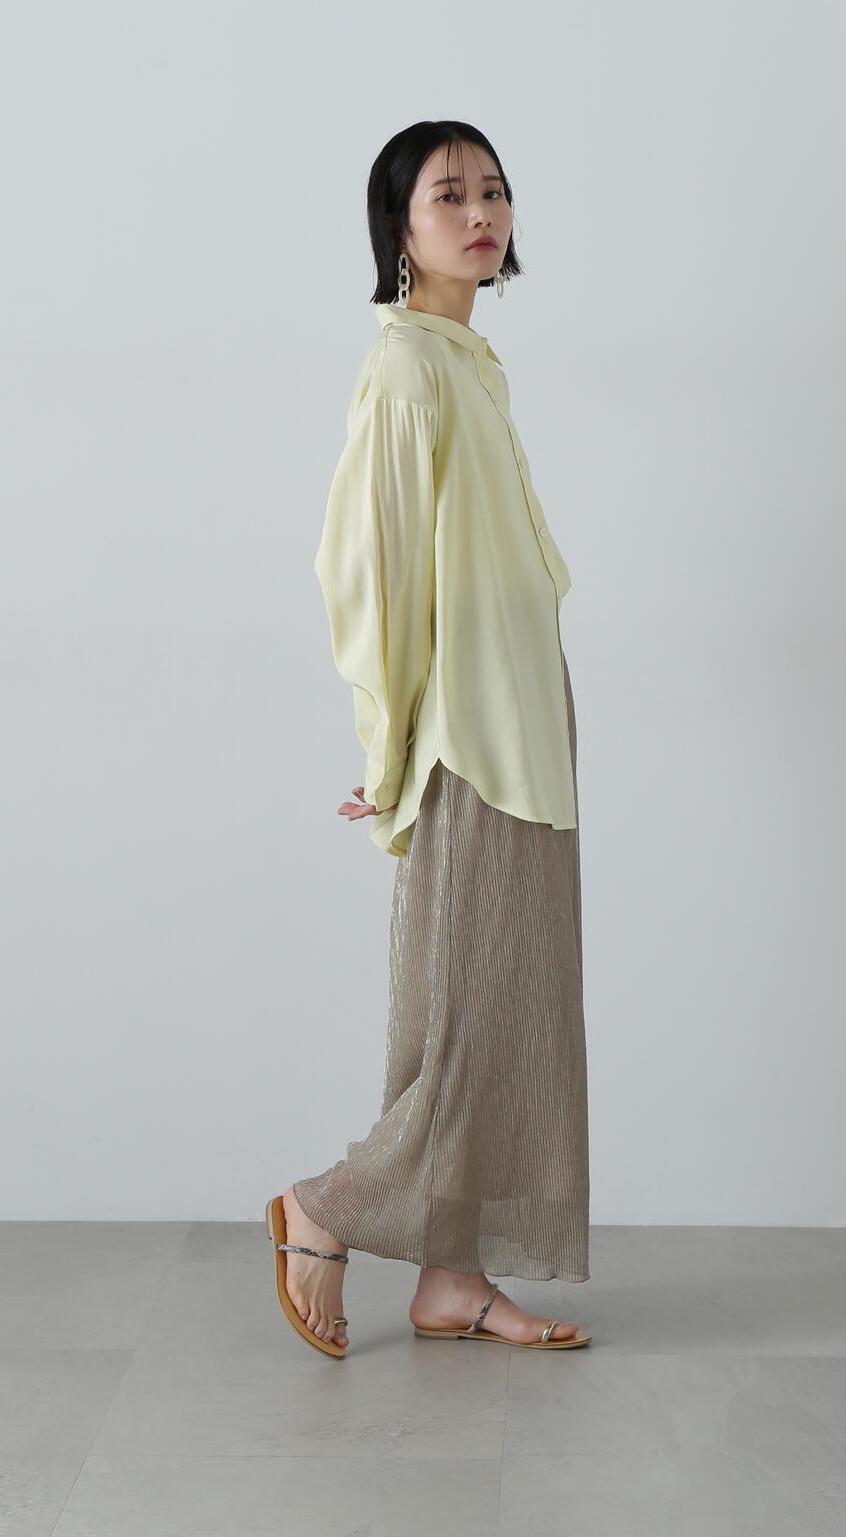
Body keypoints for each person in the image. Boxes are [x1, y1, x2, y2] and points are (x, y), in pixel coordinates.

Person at [268, 121, 591, 1355]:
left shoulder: (467, 360)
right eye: (448, 194)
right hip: (468, 732)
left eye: (493, 190)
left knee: (505, 1009)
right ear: (397, 228)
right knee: (464, 1023)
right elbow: (372, 572)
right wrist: (390, 744)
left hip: (522, 718)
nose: (480, 212)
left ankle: (451, 1279)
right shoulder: (405, 365)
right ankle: (327, 1206)